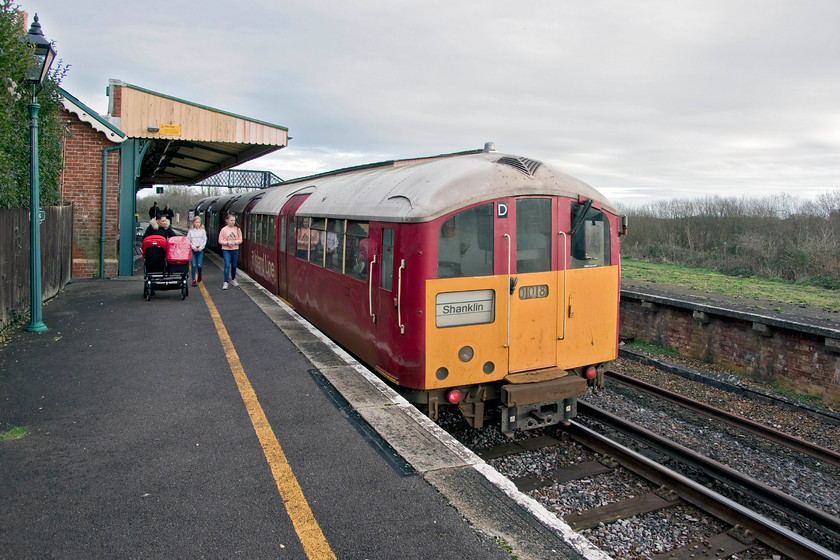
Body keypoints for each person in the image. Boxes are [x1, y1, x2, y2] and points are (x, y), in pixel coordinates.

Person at [218, 213, 242, 290]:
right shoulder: (223, 230)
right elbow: (220, 240)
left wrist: (235, 242)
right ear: (227, 221)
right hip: (226, 249)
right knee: (227, 265)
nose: (233, 222)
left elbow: (240, 239)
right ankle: (225, 282)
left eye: (234, 220)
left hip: (235, 249)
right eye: (231, 220)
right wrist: (227, 243)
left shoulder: (237, 229)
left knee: (234, 265)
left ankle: (233, 279)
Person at [187, 216, 207, 287]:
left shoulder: (203, 231)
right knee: (193, 265)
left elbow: (204, 240)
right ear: (193, 223)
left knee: (199, 265)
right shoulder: (190, 231)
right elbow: (188, 240)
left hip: (200, 249)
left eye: (199, 222)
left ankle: (199, 273)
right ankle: (193, 280)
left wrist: (201, 247)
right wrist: (193, 247)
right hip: (193, 249)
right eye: (196, 222)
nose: (197, 224)